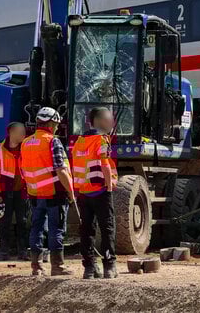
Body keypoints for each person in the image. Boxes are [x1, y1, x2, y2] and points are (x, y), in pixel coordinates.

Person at [21, 106, 75, 276]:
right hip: (53, 193)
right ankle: (57, 266)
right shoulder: (53, 141)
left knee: (36, 228)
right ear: (51, 123)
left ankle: (36, 267)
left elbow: (23, 169)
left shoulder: (26, 142)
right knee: (56, 229)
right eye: (57, 124)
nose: (57, 127)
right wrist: (71, 192)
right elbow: (61, 169)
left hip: (35, 194)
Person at [72, 107, 118, 279]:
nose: (112, 122)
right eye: (109, 119)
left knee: (86, 230)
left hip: (84, 191)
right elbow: (105, 164)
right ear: (100, 121)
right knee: (107, 228)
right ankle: (109, 266)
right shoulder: (101, 140)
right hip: (100, 190)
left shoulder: (79, 142)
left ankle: (89, 268)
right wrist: (109, 185)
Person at [0, 122, 29, 262]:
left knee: (23, 222)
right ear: (11, 132)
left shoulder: (26, 148)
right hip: (6, 192)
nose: (24, 135)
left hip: (22, 191)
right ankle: (4, 252)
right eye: (21, 132)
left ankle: (23, 252)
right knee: (4, 223)